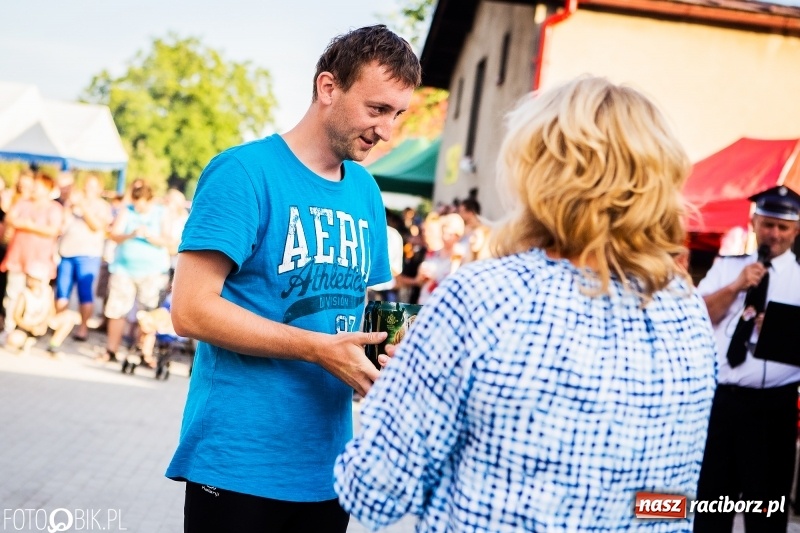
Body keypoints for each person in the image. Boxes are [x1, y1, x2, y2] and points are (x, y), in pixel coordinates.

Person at [334, 76, 718, 531]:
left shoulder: (486, 298)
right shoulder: (686, 310)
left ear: (538, 172)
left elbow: (374, 491)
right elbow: (670, 503)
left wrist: (401, 392)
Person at [165, 25, 420, 533]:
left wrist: (382, 363)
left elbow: (351, 314)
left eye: (397, 114)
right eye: (376, 109)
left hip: (330, 472)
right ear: (328, 88)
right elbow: (189, 310)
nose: (387, 131)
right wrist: (317, 348)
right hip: (238, 467)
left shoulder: (366, 192)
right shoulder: (243, 172)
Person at [694, 185, 800, 533]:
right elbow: (697, 317)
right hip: (725, 401)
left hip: (776, 406)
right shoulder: (726, 268)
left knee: (767, 508)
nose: (774, 234)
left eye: (783, 227)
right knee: (712, 501)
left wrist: (783, 331)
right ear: (754, 223)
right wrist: (735, 286)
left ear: (796, 231)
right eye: (768, 224)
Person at [100, 183, 172, 362]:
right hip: (124, 269)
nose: (139, 208)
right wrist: (130, 234)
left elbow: (170, 241)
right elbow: (114, 235)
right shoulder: (127, 211)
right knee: (117, 310)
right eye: (136, 204)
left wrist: (150, 237)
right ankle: (111, 350)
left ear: (150, 200)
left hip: (152, 272)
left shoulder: (161, 213)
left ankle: (144, 353)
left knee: (148, 312)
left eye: (142, 205)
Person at [55, 174, 112, 341]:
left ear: (100, 189)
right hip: (67, 252)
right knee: (62, 291)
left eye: (93, 186)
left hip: (88, 254)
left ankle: (83, 328)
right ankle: (60, 326)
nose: (89, 189)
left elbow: (96, 226)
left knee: (85, 292)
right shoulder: (72, 203)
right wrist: (68, 206)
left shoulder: (102, 206)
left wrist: (83, 206)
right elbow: (62, 225)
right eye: (87, 185)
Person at [5, 263, 78, 356]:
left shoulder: (48, 292)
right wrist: (30, 328)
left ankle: (53, 346)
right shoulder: (24, 294)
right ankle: (26, 342)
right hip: (28, 325)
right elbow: (16, 316)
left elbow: (51, 312)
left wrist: (44, 323)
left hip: (43, 324)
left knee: (68, 317)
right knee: (13, 339)